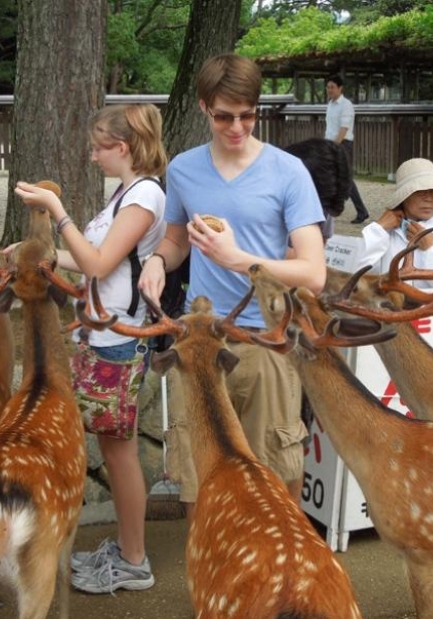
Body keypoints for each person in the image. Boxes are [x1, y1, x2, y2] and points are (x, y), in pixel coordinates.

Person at [139, 53, 326, 519]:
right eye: (224, 116)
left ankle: (285, 574)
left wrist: (241, 260)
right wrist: (160, 261)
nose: (237, 127)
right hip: (201, 341)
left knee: (278, 472)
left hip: (267, 339)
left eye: (247, 115)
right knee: (201, 480)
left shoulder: (288, 171)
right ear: (203, 107)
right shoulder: (183, 168)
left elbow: (313, 272)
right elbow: (178, 237)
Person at [14, 103, 167, 594]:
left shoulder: (144, 196)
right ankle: (126, 548)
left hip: (118, 342)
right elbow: (92, 260)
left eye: (99, 146)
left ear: (122, 148)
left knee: (119, 452)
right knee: (112, 446)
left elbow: (98, 264)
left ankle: (135, 560)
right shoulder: (125, 193)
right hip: (101, 337)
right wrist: (34, 256)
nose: (93, 155)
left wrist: (58, 214)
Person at [357, 157, 433, 294]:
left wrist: (432, 249)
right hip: (388, 313)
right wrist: (377, 229)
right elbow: (358, 277)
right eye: (420, 191)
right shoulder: (385, 235)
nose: (428, 198)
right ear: (404, 197)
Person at [324, 75, 369, 224]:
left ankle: (360, 211)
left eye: (332, 87)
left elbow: (344, 129)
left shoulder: (346, 105)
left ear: (340, 88)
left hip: (342, 144)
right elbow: (330, 128)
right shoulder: (330, 104)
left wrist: (335, 146)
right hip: (331, 143)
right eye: (328, 87)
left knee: (344, 178)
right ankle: (332, 208)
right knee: (335, 177)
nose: (329, 90)